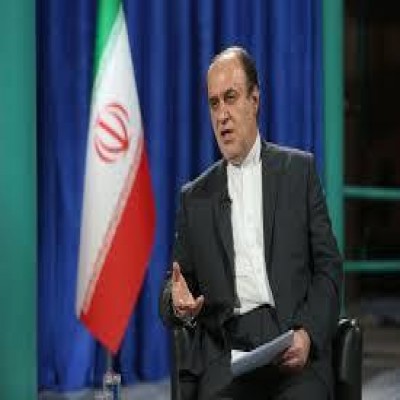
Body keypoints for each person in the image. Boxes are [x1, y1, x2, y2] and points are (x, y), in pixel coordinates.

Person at [160, 46, 343, 400]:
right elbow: (175, 287)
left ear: (254, 100)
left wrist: (307, 333)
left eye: (230, 98)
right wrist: (177, 302)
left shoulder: (298, 172)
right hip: (226, 356)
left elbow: (329, 267)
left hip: (291, 344)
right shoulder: (195, 197)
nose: (222, 115)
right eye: (214, 103)